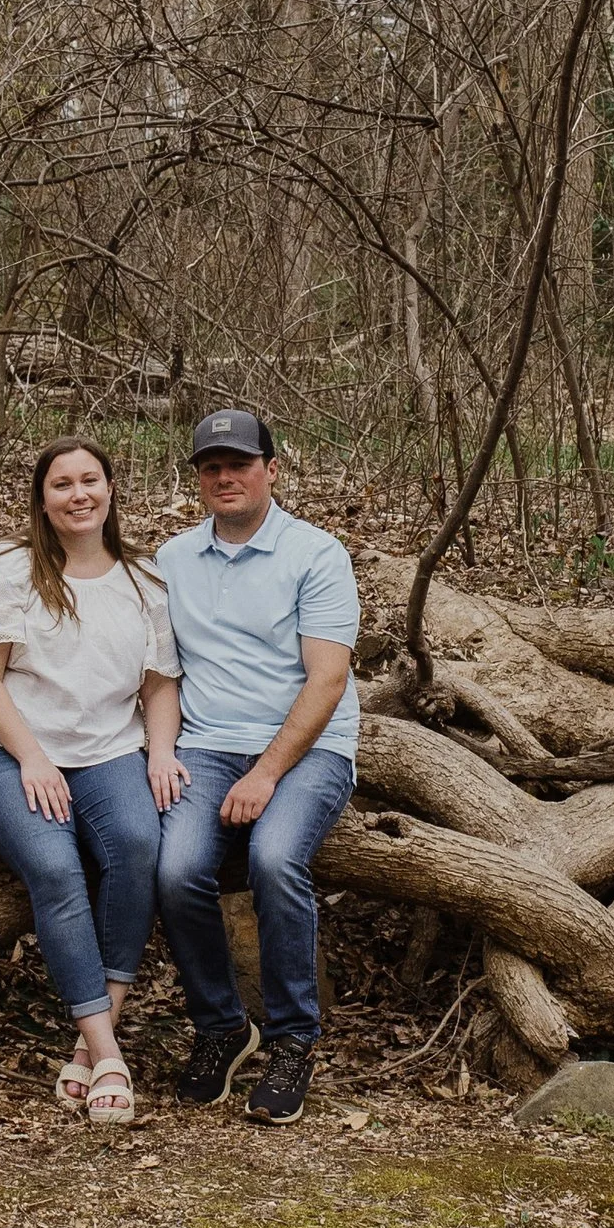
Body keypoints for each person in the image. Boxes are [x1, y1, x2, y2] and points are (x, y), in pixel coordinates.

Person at [0, 435, 185, 1124]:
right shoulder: (10, 566)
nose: (79, 495)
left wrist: (161, 753)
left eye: (90, 480)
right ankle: (109, 1056)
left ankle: (88, 1045)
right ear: (42, 500)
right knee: (55, 867)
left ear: (111, 489)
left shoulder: (145, 581)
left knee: (138, 846)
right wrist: (31, 756)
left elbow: (159, 686)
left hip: (108, 753)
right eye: (62, 484)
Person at [153, 406, 359, 1129]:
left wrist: (268, 772)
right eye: (211, 467)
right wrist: (163, 752)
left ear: (272, 470)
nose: (225, 477)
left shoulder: (317, 554)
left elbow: (327, 680)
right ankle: (220, 1026)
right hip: (205, 746)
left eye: (239, 464)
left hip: (308, 746)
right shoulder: (172, 560)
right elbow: (162, 673)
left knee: (274, 856)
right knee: (174, 869)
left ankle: (293, 1039)